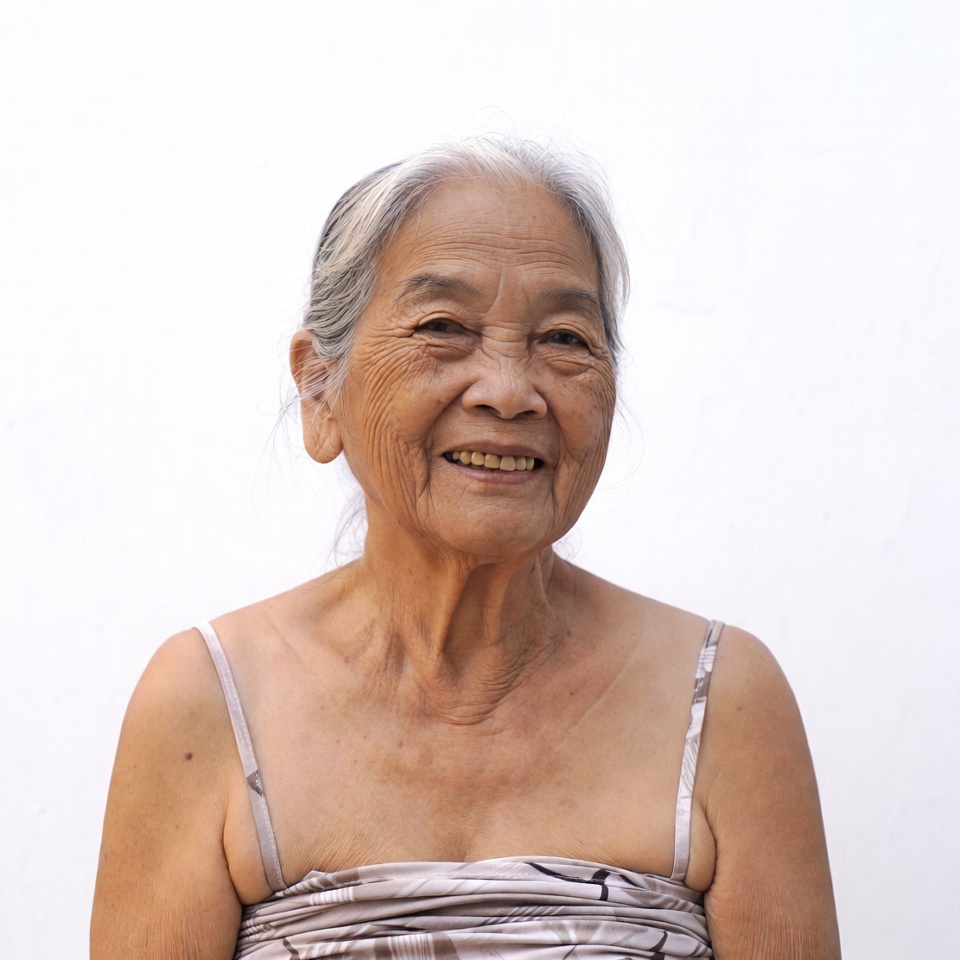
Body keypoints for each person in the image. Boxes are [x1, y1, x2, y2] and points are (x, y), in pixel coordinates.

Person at [91, 138, 842, 959]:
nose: (509, 391)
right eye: (444, 327)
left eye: (564, 339)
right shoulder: (206, 702)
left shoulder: (725, 700)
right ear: (320, 390)